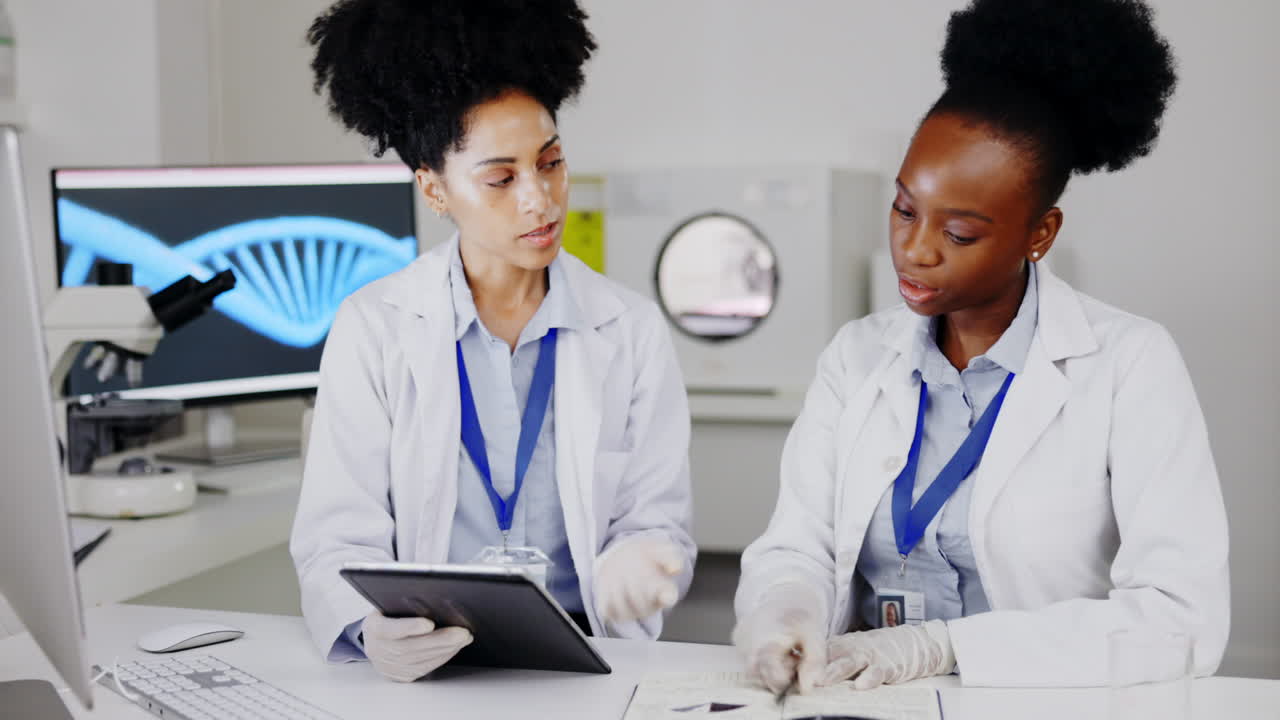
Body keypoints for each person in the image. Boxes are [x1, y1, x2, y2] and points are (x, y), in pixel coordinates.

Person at [732, 0, 1228, 692]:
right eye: (904, 209)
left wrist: (941, 647)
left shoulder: (1130, 364)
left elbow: (1181, 620)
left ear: (1040, 233)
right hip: (861, 702)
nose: (915, 249)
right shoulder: (856, 357)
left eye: (959, 234)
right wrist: (785, 614)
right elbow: (795, 546)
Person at [290, 0, 696, 682]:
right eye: (501, 179)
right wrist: (367, 629)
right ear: (435, 189)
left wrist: (646, 563)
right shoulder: (376, 326)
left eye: (552, 162)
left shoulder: (629, 330)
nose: (541, 200)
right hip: (433, 670)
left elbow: (656, 522)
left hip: (585, 666)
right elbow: (336, 534)